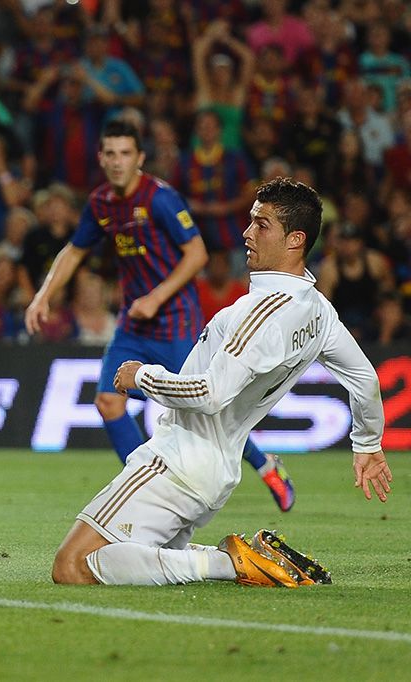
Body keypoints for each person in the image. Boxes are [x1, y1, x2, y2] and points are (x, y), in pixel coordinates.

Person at [51, 178, 391, 588]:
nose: (247, 233)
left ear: (295, 240)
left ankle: (234, 563)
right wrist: (367, 442)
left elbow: (210, 393)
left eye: (261, 225)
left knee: (72, 566)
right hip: (215, 472)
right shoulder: (318, 311)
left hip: (178, 460)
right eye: (250, 221)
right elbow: (364, 379)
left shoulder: (261, 313)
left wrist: (141, 375)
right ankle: (242, 559)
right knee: (142, 559)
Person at [25, 120, 296, 512]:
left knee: (207, 410)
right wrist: (43, 295)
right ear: (101, 158)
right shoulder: (101, 203)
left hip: (174, 321)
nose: (117, 162)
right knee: (108, 402)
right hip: (133, 324)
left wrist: (155, 297)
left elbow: (197, 254)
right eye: (110, 154)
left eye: (125, 153)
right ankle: (145, 484)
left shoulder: (160, 199)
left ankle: (266, 465)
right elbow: (75, 250)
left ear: (139, 158)